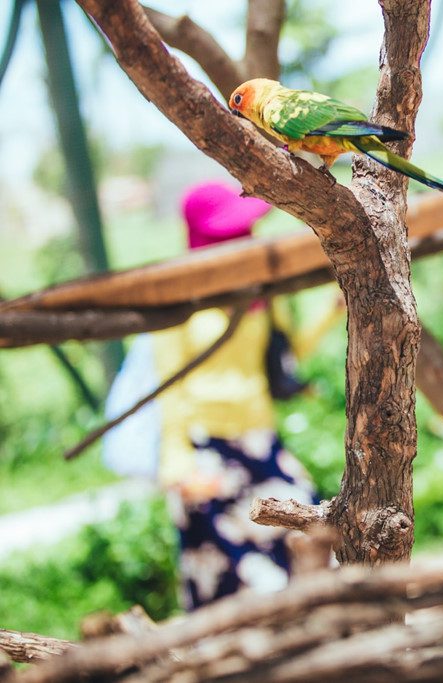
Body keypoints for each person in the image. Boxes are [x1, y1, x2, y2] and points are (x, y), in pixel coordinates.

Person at [103, 181, 321, 610]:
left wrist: (329, 314)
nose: (244, 243)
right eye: (229, 235)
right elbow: (169, 389)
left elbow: (283, 356)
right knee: (231, 572)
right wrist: (177, 467)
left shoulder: (261, 296)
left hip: (260, 438)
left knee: (307, 527)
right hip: (205, 448)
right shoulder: (180, 304)